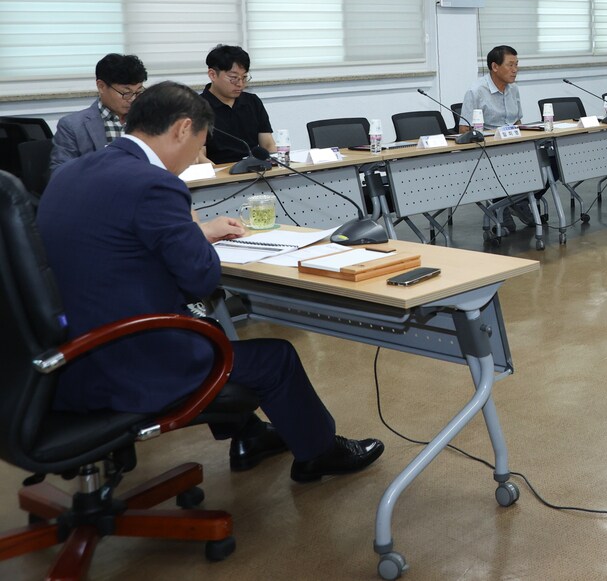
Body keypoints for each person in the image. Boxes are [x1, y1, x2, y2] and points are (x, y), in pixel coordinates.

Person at [37, 82, 383, 482]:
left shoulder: (70, 174)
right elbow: (201, 279)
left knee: (214, 332)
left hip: (70, 358)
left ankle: (250, 434)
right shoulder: (157, 184)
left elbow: (112, 243)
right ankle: (319, 453)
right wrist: (189, 225)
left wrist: (191, 235)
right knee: (276, 357)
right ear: (183, 129)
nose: (193, 158)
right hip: (133, 361)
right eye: (199, 142)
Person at [50, 53, 147, 173]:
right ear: (101, 86)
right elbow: (60, 173)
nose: (132, 99)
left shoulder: (148, 119)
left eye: (138, 92)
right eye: (125, 93)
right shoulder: (73, 126)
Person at [200, 44, 275, 163]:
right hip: (220, 175)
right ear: (213, 75)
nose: (240, 84)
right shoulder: (197, 108)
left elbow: (268, 145)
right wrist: (222, 176)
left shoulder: (252, 102)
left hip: (255, 172)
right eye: (233, 78)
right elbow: (199, 156)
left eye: (244, 77)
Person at [460, 44, 523, 131]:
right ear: (495, 67)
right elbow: (464, 130)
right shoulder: (476, 91)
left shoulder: (513, 88)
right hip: (489, 142)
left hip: (512, 140)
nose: (515, 70)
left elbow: (517, 121)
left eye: (516, 64)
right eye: (510, 65)